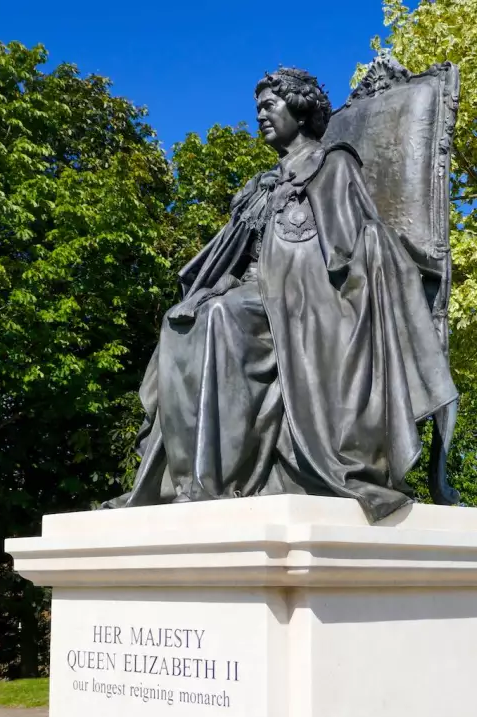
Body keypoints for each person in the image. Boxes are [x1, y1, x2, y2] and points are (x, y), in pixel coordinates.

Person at [103, 67, 457, 522]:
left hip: (312, 302)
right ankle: (190, 481)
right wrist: (224, 282)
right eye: (258, 110)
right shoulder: (260, 185)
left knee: (220, 320)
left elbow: (350, 248)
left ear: (300, 107)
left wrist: (284, 282)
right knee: (183, 318)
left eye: (270, 106)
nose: (261, 117)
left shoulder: (333, 164)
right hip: (257, 293)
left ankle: (215, 481)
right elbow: (234, 255)